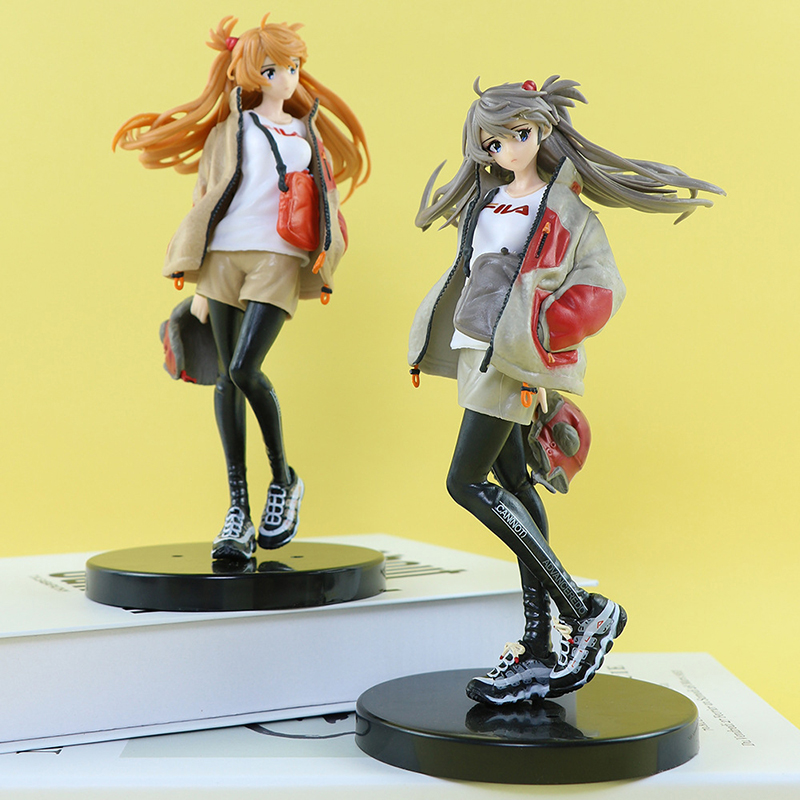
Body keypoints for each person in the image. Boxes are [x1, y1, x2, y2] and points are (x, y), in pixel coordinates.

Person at [409, 76, 722, 703]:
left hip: (512, 360)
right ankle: (538, 648)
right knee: (516, 485)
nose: (504, 149)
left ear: (542, 131)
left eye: (517, 135)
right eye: (492, 142)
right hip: (476, 350)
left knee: (464, 483)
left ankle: (585, 611)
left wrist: (545, 332)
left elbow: (602, 284)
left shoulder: (566, 210)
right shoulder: (488, 200)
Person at [114, 15, 369, 560]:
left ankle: (284, 479)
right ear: (250, 74)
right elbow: (205, 195)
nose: (286, 79)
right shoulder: (230, 129)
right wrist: (199, 279)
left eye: (292, 67)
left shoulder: (306, 133)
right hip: (223, 259)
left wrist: (326, 255)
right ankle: (238, 511)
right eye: (273, 70)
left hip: (278, 259)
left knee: (244, 368)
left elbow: (326, 202)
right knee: (226, 381)